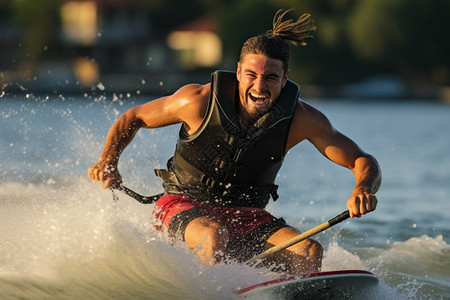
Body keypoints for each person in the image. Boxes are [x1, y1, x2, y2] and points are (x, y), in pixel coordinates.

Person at [88, 9, 381, 275]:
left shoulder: (301, 119)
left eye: (270, 77)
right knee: (213, 236)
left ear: (285, 78)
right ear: (239, 72)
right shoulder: (197, 102)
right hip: (181, 204)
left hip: (248, 215)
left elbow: (361, 160)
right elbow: (134, 117)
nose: (259, 86)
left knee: (308, 251)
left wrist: (362, 189)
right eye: (251, 75)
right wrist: (108, 161)